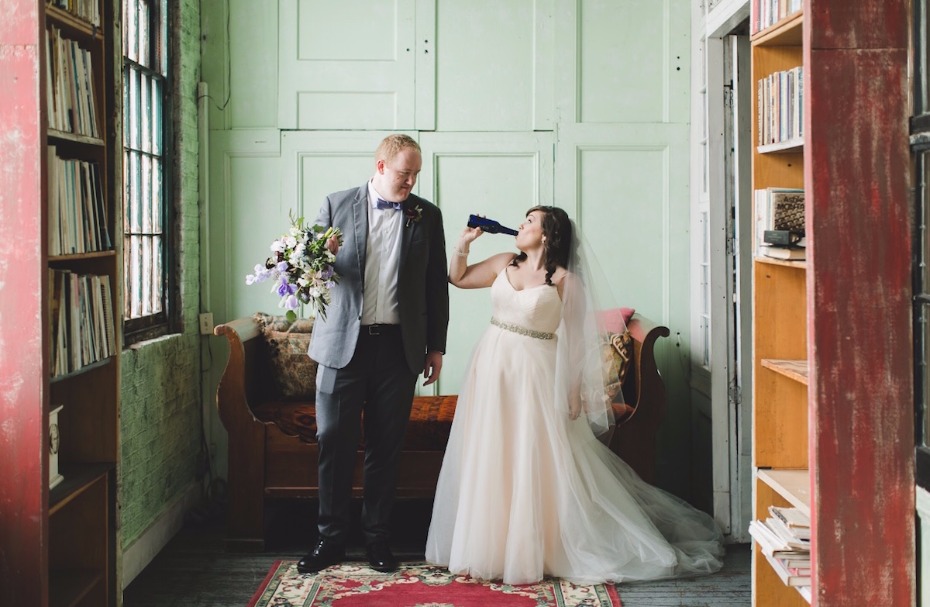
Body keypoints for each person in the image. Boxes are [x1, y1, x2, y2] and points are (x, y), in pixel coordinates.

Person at [425, 205, 724, 585]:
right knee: (492, 448)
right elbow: (459, 278)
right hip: (491, 366)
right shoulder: (505, 262)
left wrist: (573, 391)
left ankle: (534, 548)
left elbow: (578, 343)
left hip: (535, 372)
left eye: (530, 221)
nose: (521, 224)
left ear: (548, 234)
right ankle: (487, 547)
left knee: (531, 453)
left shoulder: (566, 281)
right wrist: (463, 245)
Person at [299, 134, 450, 574]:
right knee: (334, 443)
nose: (411, 180)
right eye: (405, 172)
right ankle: (329, 541)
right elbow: (309, 273)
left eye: (416, 173)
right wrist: (318, 257)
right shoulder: (335, 204)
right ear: (381, 167)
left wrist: (436, 346)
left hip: (398, 348)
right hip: (342, 345)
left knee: (386, 446)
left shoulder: (427, 215)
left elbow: (434, 286)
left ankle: (377, 539)